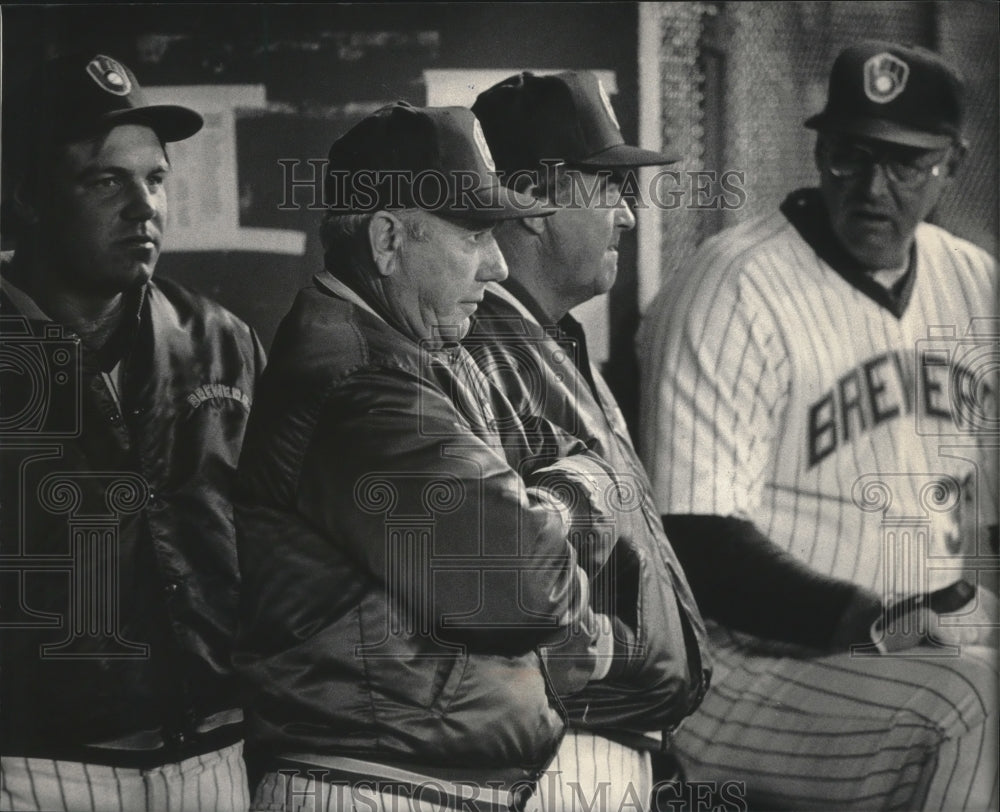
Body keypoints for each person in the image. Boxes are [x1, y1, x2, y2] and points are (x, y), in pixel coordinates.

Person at [234, 102, 633, 812]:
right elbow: (523, 583)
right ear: (387, 238)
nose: (499, 262)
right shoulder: (358, 378)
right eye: (474, 231)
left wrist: (549, 506)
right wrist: (576, 500)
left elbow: (564, 456)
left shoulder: (417, 352)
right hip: (369, 788)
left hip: (415, 781)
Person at [637, 40, 998, 810]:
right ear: (819, 149)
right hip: (749, 670)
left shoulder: (973, 283)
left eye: (907, 164)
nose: (873, 188)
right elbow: (696, 541)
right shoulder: (734, 286)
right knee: (975, 708)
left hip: (928, 649)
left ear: (953, 164)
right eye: (850, 156)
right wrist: (874, 621)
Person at [0, 53, 264, 811]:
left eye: (155, 179)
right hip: (39, 764)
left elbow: (277, 537)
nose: (143, 206)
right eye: (104, 180)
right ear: (26, 195)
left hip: (215, 752)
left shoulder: (219, 339)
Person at [467, 71, 711, 812]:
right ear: (535, 202)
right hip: (553, 757)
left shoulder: (554, 339)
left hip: (609, 751)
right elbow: (484, 586)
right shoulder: (479, 349)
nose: (630, 215)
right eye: (608, 186)